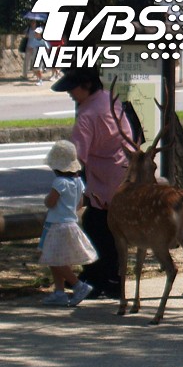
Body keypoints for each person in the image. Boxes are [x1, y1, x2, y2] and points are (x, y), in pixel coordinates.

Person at [51, 67, 135, 300]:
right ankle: (113, 279)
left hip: (103, 181)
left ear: (86, 85)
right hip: (123, 174)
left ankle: (98, 279)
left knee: (95, 228)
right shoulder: (110, 100)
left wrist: (68, 188)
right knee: (110, 230)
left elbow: (77, 158)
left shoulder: (87, 115)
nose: (69, 93)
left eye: (72, 88)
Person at [38, 140, 97, 307]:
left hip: (57, 225)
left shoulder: (59, 183)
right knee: (57, 258)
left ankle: (78, 285)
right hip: (70, 223)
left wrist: (47, 200)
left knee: (54, 259)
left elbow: (50, 202)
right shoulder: (78, 182)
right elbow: (79, 204)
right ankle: (59, 291)